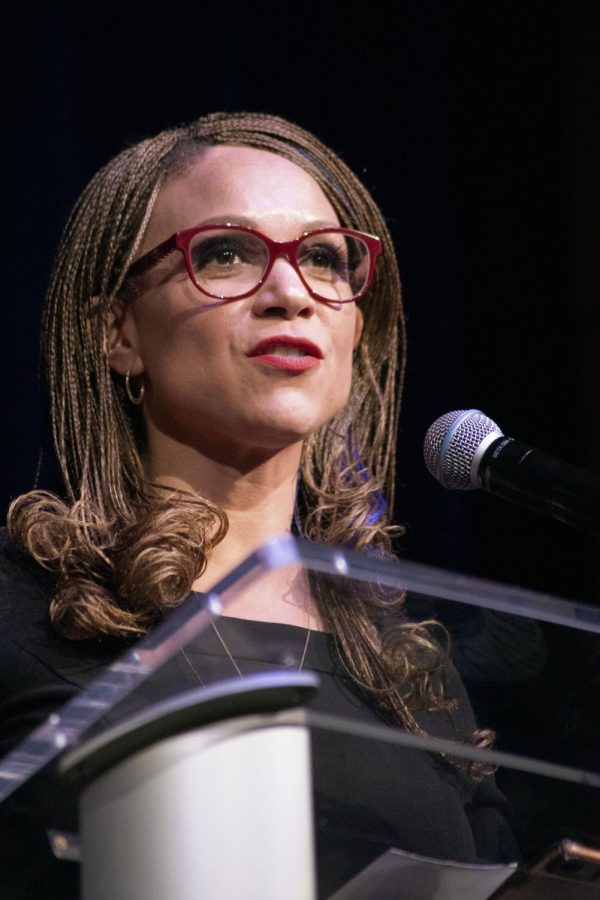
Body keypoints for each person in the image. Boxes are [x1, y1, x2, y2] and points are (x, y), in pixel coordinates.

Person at [0, 112, 517, 898]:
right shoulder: (22, 616)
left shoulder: (412, 673)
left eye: (324, 258)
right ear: (119, 333)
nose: (290, 293)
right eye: (227, 253)